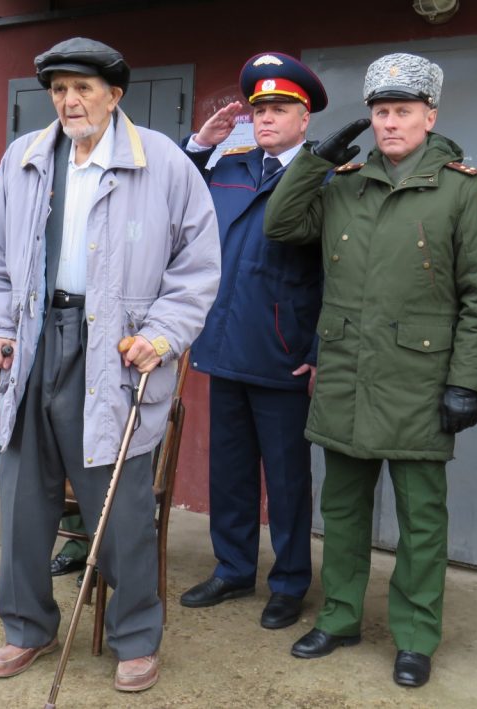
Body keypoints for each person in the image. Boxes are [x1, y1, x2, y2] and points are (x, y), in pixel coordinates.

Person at [0, 37, 220, 692]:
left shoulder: (159, 161)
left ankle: (135, 636)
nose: (70, 101)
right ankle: (27, 624)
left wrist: (161, 335)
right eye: (59, 90)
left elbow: (196, 265)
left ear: (114, 95)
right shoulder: (25, 158)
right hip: (32, 338)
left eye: (83, 88)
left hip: (114, 347)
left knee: (120, 502)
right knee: (22, 494)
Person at [263, 52, 477, 688]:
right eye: (379, 112)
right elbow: (281, 224)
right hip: (345, 372)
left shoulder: (462, 189)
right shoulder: (344, 181)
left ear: (430, 115)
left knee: (421, 520)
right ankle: (340, 617)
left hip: (420, 381)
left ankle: (416, 636)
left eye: (402, 111)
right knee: (342, 511)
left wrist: (465, 381)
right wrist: (315, 160)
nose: (389, 122)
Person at [178, 52, 326, 631]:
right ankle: (233, 568)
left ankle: (289, 582)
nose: (267, 118)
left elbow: (335, 273)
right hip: (224, 344)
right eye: (260, 109)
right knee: (230, 471)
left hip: (283, 353)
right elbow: (175, 192)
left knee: (287, 478)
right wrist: (198, 143)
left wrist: (316, 350)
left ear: (304, 117)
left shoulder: (321, 179)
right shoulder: (229, 165)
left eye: (281, 108)